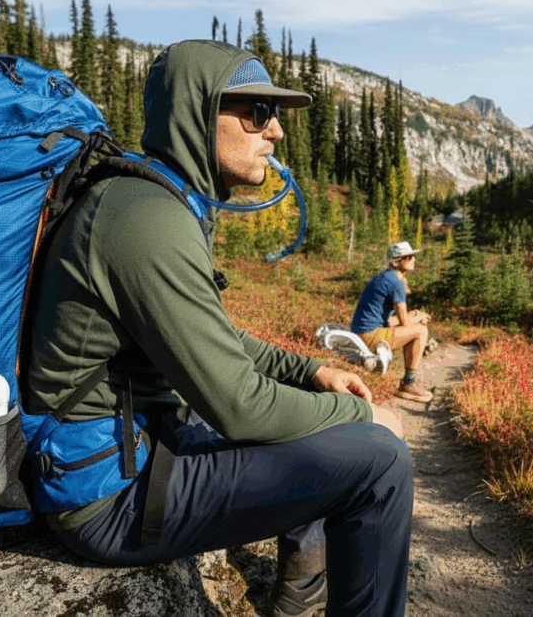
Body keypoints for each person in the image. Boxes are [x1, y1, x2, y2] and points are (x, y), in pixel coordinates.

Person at [26, 39, 412, 617]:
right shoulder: (146, 221)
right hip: (108, 497)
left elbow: (220, 340)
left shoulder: (158, 200)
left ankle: (300, 586)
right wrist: (367, 415)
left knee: (311, 404)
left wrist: (313, 371)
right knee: (382, 462)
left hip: (139, 445)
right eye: (257, 113)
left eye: (274, 116)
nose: (276, 131)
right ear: (197, 111)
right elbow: (241, 407)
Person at [350, 242, 433, 403]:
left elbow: (387, 320)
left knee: (417, 325)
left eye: (413, 256)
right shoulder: (395, 282)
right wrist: (419, 317)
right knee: (421, 331)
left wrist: (414, 314)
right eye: (409, 257)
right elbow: (405, 324)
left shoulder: (385, 277)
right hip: (369, 336)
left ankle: (408, 382)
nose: (413, 259)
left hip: (361, 333)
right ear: (396, 261)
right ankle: (408, 385)